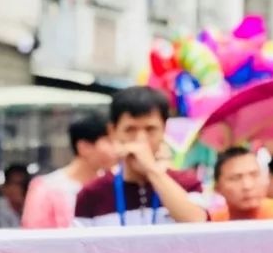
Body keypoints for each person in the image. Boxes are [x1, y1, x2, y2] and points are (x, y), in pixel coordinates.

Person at [75, 87, 205, 226]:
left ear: (164, 129)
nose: (140, 140)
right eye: (130, 129)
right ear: (112, 131)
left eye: (150, 129)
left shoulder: (187, 182)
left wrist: (151, 170)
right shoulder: (92, 194)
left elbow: (198, 222)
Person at [22, 114, 117, 229]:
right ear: (84, 147)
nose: (117, 149)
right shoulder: (46, 188)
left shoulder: (111, 184)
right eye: (110, 142)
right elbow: (35, 238)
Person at [152, 146, 273, 223]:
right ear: (218, 188)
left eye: (254, 175)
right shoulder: (211, 223)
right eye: (235, 178)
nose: (247, 185)